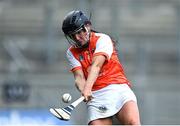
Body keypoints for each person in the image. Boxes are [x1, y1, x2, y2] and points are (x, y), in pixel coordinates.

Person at [62, 10, 141, 125]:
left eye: (78, 32)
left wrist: (87, 87)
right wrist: (84, 89)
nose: (77, 38)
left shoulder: (102, 39)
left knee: (133, 123)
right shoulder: (71, 52)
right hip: (96, 95)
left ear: (87, 27)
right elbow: (79, 77)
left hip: (118, 87)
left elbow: (96, 66)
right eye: (72, 36)